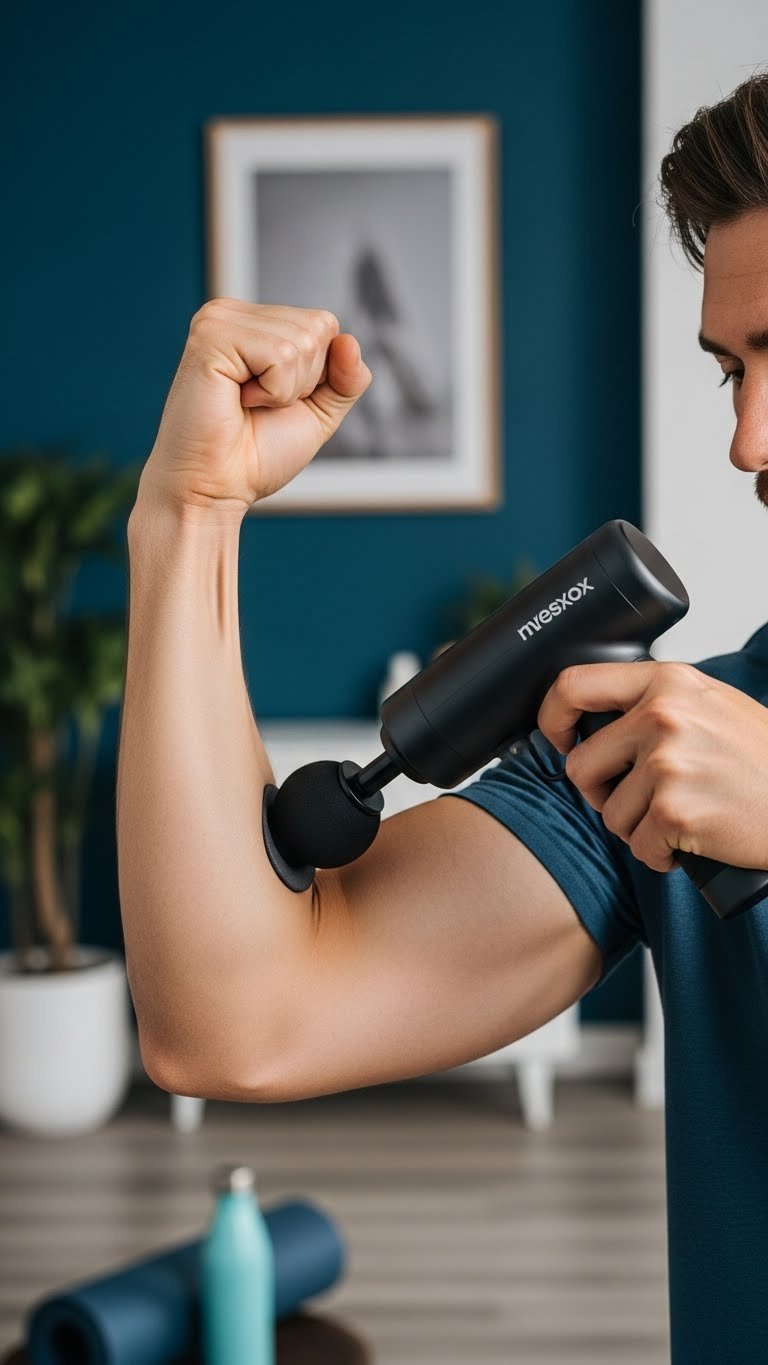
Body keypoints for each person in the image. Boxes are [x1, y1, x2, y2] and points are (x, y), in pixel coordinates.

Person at [116, 72, 768, 1364]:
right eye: (732, 373)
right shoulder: (686, 754)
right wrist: (188, 518)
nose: (750, 443)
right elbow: (239, 1014)